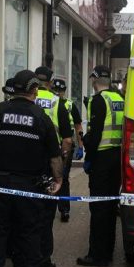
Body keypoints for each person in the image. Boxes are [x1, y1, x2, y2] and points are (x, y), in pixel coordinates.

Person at [0, 70, 63, 267]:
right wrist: (58, 180)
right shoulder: (41, 117)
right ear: (34, 90)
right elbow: (55, 156)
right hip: (29, 186)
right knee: (30, 231)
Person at [77, 66, 124, 267]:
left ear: (95, 80)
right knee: (110, 206)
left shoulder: (98, 100)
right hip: (117, 157)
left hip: (102, 159)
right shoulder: (120, 99)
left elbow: (95, 135)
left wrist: (85, 145)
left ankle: (97, 255)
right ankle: (108, 251)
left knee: (98, 207)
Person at [33, 66, 73, 267]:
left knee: (24, 211)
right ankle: (43, 260)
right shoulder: (57, 102)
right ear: (49, 81)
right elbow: (67, 139)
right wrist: (62, 158)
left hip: (24, 161)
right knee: (46, 213)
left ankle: (21, 257)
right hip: (49, 161)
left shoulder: (24, 98)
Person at [51, 77, 84, 222]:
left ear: (64, 91)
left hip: (65, 147)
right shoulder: (51, 103)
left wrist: (81, 146)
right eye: (56, 90)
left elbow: (78, 127)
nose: (58, 93)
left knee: (63, 177)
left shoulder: (70, 105)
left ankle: (64, 209)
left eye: (60, 90)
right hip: (52, 146)